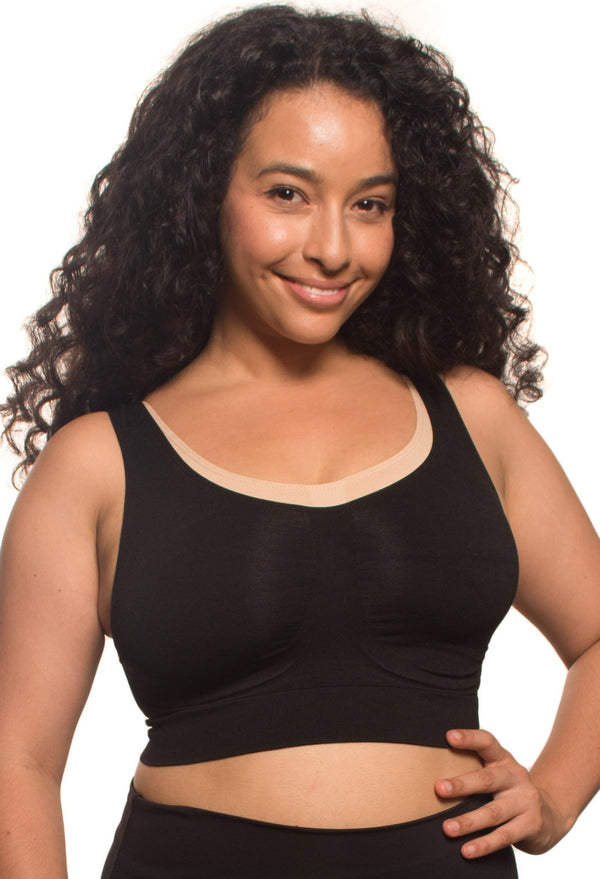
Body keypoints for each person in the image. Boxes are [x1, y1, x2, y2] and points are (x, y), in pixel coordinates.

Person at [0, 4, 598, 877]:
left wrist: (555, 796)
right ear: (205, 192)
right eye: (288, 193)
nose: (331, 248)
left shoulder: (472, 417)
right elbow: (18, 760)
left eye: (370, 204)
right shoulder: (98, 463)